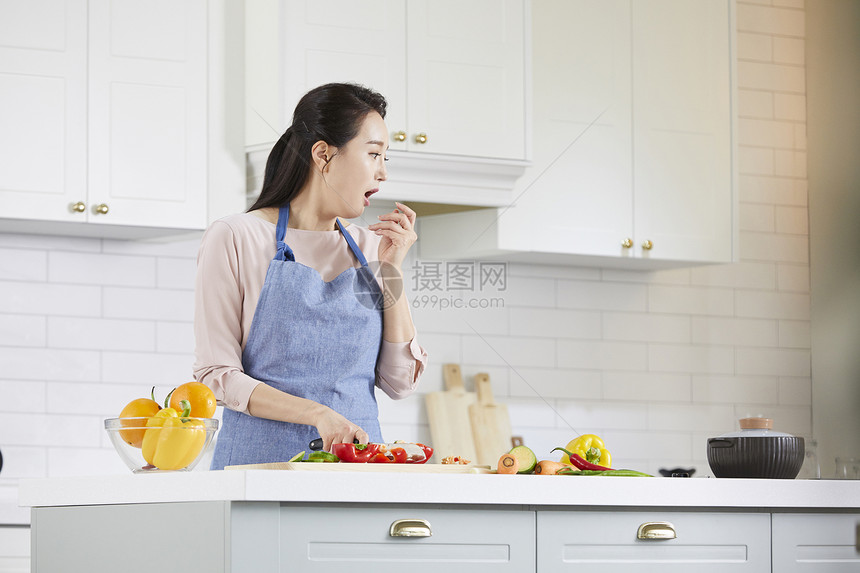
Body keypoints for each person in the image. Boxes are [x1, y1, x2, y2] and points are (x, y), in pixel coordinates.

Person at [193, 83, 427, 470]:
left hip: (359, 476)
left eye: (385, 158)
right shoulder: (237, 236)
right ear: (323, 154)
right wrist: (318, 414)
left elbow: (399, 382)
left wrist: (391, 270)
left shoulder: (373, 249)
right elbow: (216, 375)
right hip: (259, 473)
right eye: (373, 155)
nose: (383, 173)